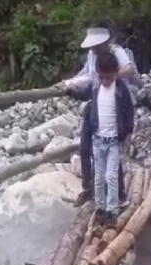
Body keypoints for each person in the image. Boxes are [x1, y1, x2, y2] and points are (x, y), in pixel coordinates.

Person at [55, 22, 138, 207]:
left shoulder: (116, 52)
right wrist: (69, 84)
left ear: (105, 41)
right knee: (85, 148)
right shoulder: (92, 56)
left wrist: (110, 77)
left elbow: (129, 69)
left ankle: (119, 195)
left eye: (96, 44)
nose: (93, 48)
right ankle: (87, 188)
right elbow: (87, 76)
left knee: (112, 156)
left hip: (114, 108)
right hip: (96, 106)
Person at [65, 51, 134, 226]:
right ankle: (100, 208)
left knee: (111, 176)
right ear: (97, 74)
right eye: (101, 77)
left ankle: (112, 211)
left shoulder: (120, 89)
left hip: (113, 141)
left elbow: (129, 111)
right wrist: (70, 91)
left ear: (116, 72)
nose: (104, 81)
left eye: (108, 77)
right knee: (99, 176)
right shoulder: (95, 87)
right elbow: (83, 93)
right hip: (98, 139)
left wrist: (128, 132)